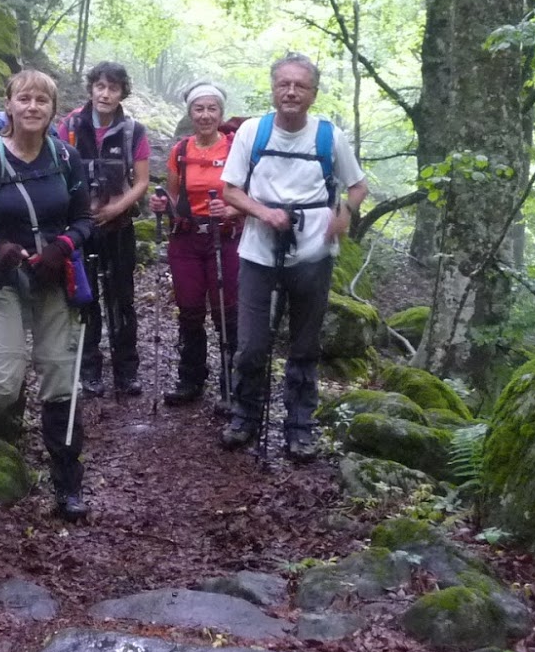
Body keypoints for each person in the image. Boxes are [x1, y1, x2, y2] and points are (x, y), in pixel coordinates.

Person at [0, 70, 94, 521]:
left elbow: (85, 221)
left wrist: (62, 247)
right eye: (25, 99)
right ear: (8, 104)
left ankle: (68, 487)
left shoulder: (67, 158)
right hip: (3, 280)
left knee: (60, 379)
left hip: (56, 279)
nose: (33, 108)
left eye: (42, 101)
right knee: (2, 382)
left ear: (53, 110)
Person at [219, 53, 368, 461]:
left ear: (313, 94)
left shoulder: (328, 136)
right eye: (283, 84)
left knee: (304, 345)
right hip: (258, 250)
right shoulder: (253, 131)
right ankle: (244, 416)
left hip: (314, 253)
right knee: (251, 344)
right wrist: (265, 213)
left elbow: (357, 186)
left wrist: (344, 214)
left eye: (300, 85)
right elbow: (229, 190)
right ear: (273, 89)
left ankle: (300, 426)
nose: (290, 92)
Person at [58, 62, 150, 397]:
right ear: (91, 89)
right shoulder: (69, 126)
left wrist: (117, 207)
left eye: (113, 88)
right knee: (86, 298)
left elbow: (140, 182)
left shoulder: (132, 131)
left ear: (122, 92)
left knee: (121, 299)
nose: (105, 93)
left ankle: (127, 371)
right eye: (99, 86)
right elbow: (58, 171)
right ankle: (90, 369)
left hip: (120, 226)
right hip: (80, 230)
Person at [149, 83, 242, 407]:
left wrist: (230, 209)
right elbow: (173, 196)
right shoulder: (180, 151)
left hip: (225, 237)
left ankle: (232, 383)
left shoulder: (234, 148)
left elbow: (249, 195)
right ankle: (191, 377)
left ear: (220, 112)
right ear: (190, 113)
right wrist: (162, 205)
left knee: (226, 311)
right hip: (186, 238)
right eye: (199, 109)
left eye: (212, 109)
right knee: (189, 310)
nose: (205, 115)